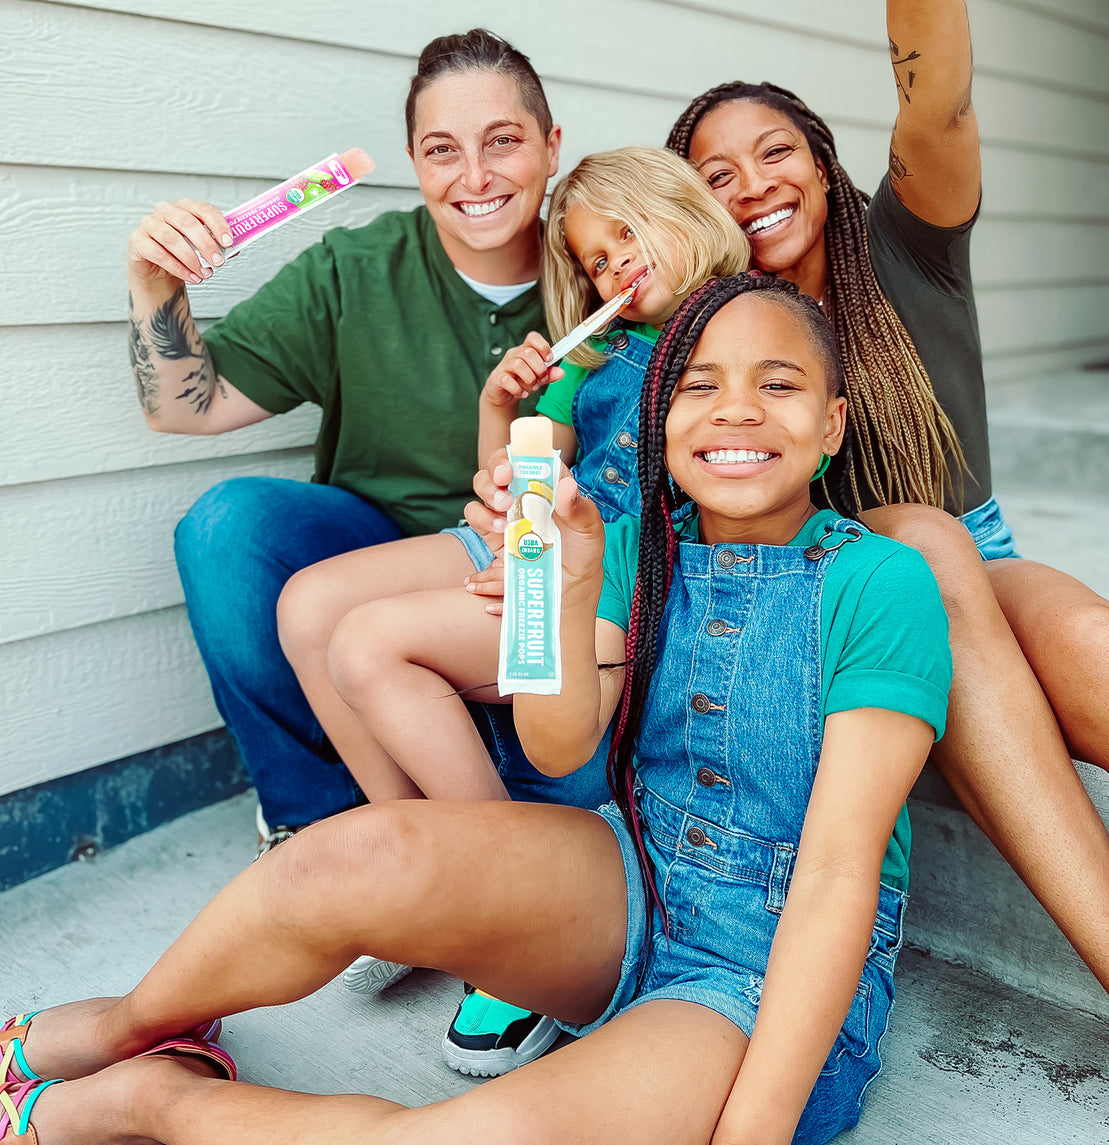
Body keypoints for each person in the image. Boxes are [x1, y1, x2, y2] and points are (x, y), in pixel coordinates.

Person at [1, 273, 954, 1145]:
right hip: (635, 871)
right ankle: (131, 1029)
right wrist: (567, 592)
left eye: (777, 384)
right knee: (350, 853)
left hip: (769, 966)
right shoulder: (634, 548)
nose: (736, 407)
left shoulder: (879, 582)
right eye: (699, 385)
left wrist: (754, 1129)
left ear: (832, 424)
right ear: (662, 421)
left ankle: (150, 1102)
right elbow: (555, 740)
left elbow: (836, 873)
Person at [662, 0, 1109, 1130]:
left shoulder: (905, 248)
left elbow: (933, 93)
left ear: (820, 167)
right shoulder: (705, 343)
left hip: (974, 560)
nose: (751, 179)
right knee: (907, 544)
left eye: (774, 148)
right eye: (713, 171)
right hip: (823, 610)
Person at [125, 28, 612, 1073]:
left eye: (502, 143)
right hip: (384, 542)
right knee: (229, 530)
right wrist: (154, 280)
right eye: (442, 151)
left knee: (364, 617)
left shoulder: (597, 267)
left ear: (550, 143)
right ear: (412, 162)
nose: (475, 177)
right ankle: (329, 828)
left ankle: (477, 881)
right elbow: (185, 405)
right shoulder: (355, 267)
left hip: (530, 557)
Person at [276, 146, 747, 1065]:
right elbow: (515, 473)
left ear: (682, 208)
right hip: (533, 537)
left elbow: (694, 508)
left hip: (611, 575)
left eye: (624, 236)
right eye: (595, 261)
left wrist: (549, 570)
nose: (615, 267)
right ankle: (424, 872)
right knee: (307, 606)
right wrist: (503, 409)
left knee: (372, 641)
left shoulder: (734, 331)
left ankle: (502, 908)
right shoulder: (605, 354)